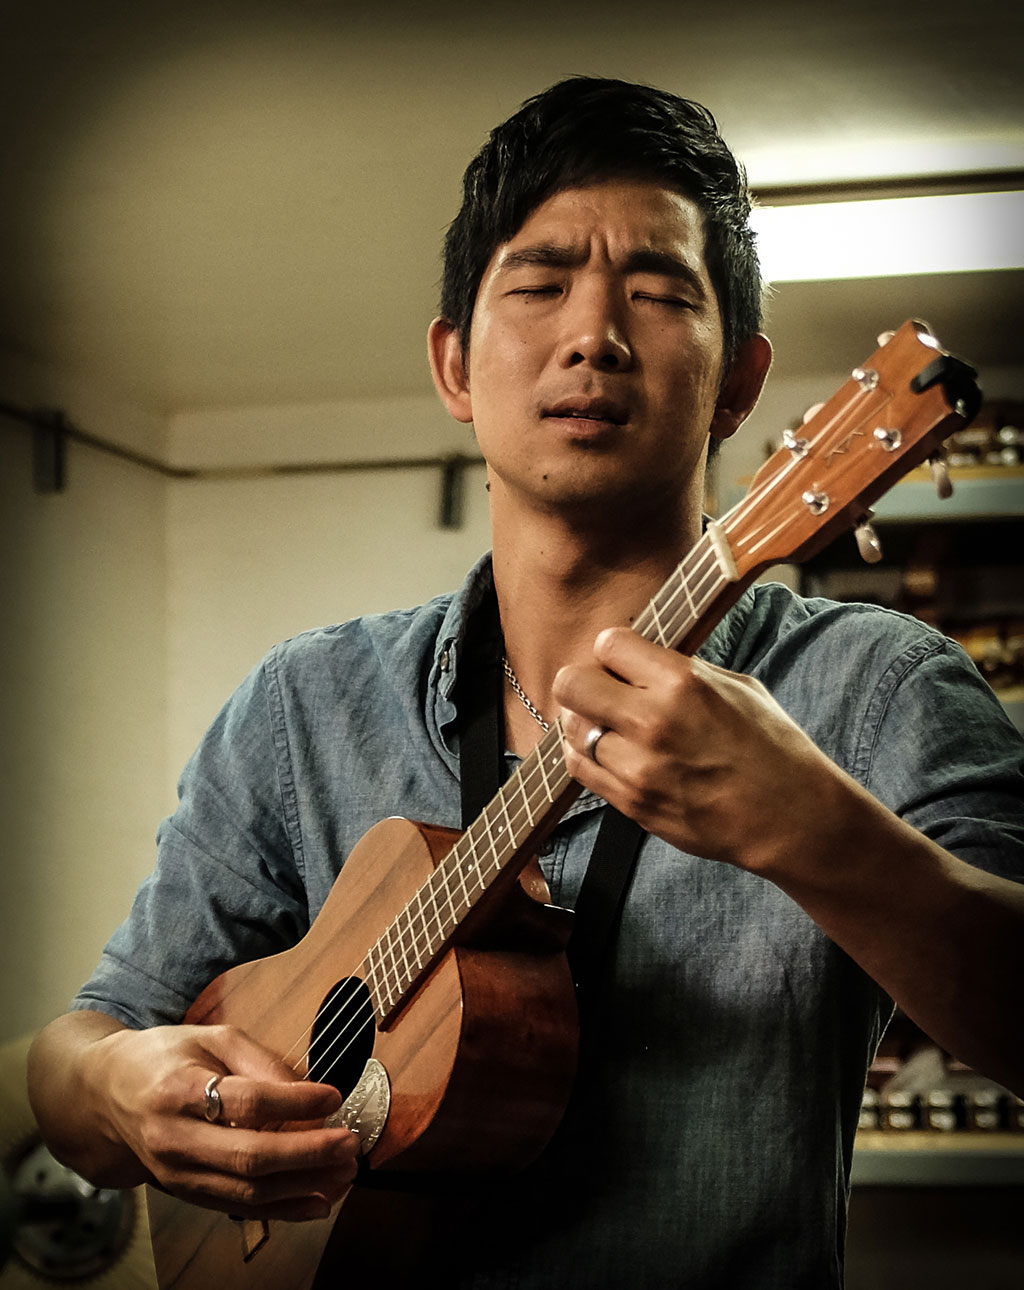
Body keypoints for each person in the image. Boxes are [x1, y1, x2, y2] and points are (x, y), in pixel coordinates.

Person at [28, 76, 1024, 1289]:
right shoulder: (304, 704)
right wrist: (119, 1089)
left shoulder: (876, 688)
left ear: (742, 383)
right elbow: (79, 1056)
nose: (592, 335)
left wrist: (822, 836)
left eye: (659, 293)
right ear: (454, 366)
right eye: (540, 285)